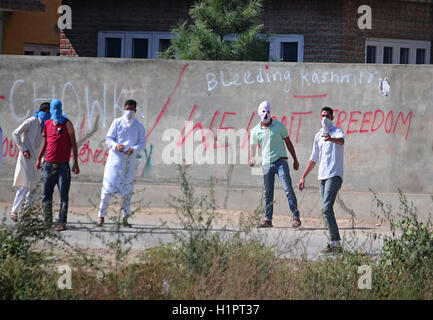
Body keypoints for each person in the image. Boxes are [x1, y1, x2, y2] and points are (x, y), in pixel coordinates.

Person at [298, 106, 345, 253]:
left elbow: (341, 141)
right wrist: (303, 176)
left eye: (327, 116)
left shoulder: (337, 131)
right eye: (322, 115)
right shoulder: (318, 136)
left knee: (326, 207)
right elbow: (313, 158)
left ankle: (336, 243)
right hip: (322, 177)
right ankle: (334, 242)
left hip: (334, 175)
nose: (324, 118)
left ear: (332, 118)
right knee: (326, 210)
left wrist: (331, 139)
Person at [249, 100, 301, 228]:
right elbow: (253, 147)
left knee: (288, 189)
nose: (266, 114)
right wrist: (251, 158)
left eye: (268, 111)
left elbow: (288, 142)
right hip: (266, 164)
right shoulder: (255, 131)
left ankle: (295, 217)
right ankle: (267, 219)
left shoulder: (279, 126)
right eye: (263, 111)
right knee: (267, 192)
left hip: (280, 162)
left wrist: (295, 159)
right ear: (259, 113)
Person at [95, 99, 146, 228]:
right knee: (107, 190)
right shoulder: (116, 122)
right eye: (127, 109)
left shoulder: (139, 126)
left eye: (131, 109)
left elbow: (142, 143)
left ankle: (125, 218)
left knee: (127, 192)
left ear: (135, 110)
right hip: (114, 162)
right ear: (124, 109)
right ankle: (101, 218)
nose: (129, 112)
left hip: (129, 163)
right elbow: (108, 139)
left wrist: (133, 149)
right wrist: (116, 146)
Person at [35, 99, 79, 231]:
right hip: (49, 165)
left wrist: (75, 162)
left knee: (63, 196)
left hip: (63, 167)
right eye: (53, 109)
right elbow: (46, 143)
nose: (55, 111)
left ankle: (61, 222)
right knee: (46, 195)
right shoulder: (47, 123)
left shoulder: (67, 124)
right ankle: (47, 222)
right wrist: (39, 159)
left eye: (57, 108)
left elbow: (73, 144)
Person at [10, 102, 51, 222]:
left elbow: (44, 144)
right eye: (47, 113)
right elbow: (15, 133)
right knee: (24, 184)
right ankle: (14, 210)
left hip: (37, 160)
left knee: (34, 187)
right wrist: (24, 149)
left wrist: (43, 159)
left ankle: (27, 214)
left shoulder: (46, 125)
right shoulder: (31, 121)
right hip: (26, 158)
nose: (49, 115)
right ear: (43, 112)